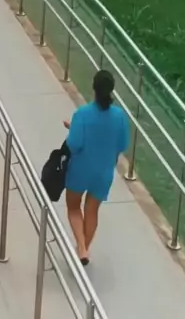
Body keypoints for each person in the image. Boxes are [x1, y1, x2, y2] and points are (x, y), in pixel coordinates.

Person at [64, 70, 130, 266]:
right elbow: (122, 145)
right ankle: (84, 249)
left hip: (80, 169)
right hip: (104, 172)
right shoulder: (119, 116)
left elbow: (74, 144)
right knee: (92, 211)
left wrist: (73, 129)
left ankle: (81, 247)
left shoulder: (82, 114)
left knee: (73, 207)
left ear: (94, 88)